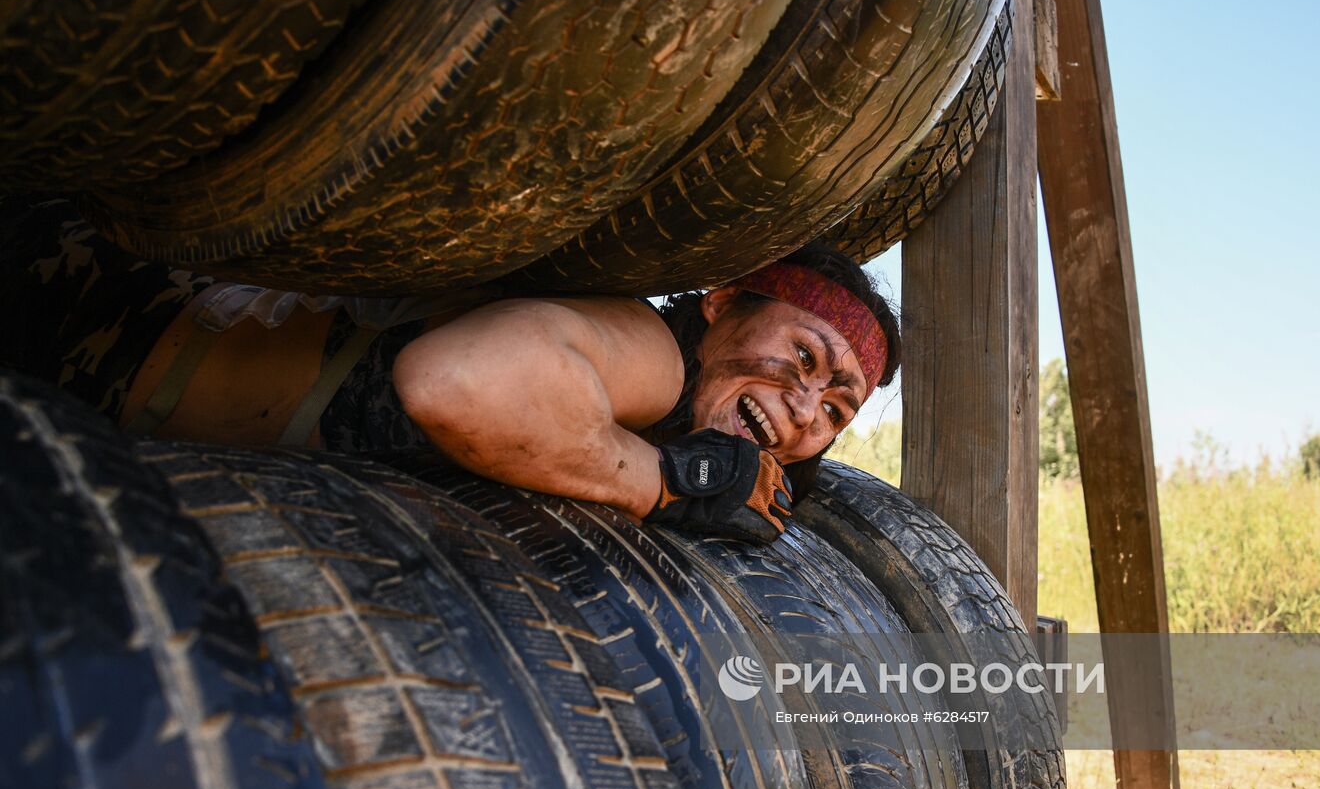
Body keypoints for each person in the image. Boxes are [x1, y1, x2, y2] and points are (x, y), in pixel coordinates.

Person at [1, 196, 900, 542]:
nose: (803, 404)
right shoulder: (657, 353)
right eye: (803, 355)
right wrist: (670, 482)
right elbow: (456, 383)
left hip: (92, 390)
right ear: (722, 305)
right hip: (81, 316)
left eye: (835, 407)